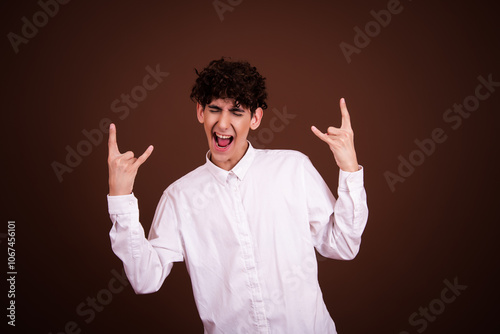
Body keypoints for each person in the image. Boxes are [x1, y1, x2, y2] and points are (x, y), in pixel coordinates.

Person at [107, 58, 368, 333]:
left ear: (255, 118)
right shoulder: (179, 197)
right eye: (214, 110)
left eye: (236, 112)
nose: (223, 123)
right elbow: (145, 279)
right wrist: (120, 197)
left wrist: (349, 167)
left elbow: (343, 245)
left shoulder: (293, 168)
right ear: (200, 112)